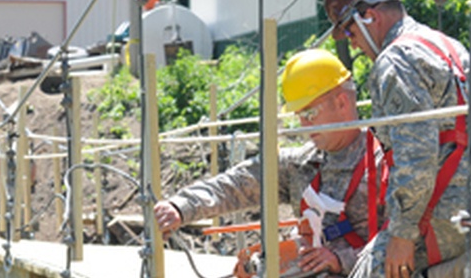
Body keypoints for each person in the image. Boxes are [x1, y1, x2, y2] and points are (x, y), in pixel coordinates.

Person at [323, 0, 471, 277]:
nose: (351, 42)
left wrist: (402, 234)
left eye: (349, 31)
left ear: (369, 15)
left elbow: (416, 155)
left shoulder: (394, 61)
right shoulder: (452, 48)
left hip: (442, 215)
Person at [154, 49, 384, 277]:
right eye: (299, 116)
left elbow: (406, 242)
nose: (304, 125)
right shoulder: (303, 164)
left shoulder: (385, 164)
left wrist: (341, 260)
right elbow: (238, 183)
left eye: (310, 113)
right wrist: (180, 207)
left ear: (342, 103)